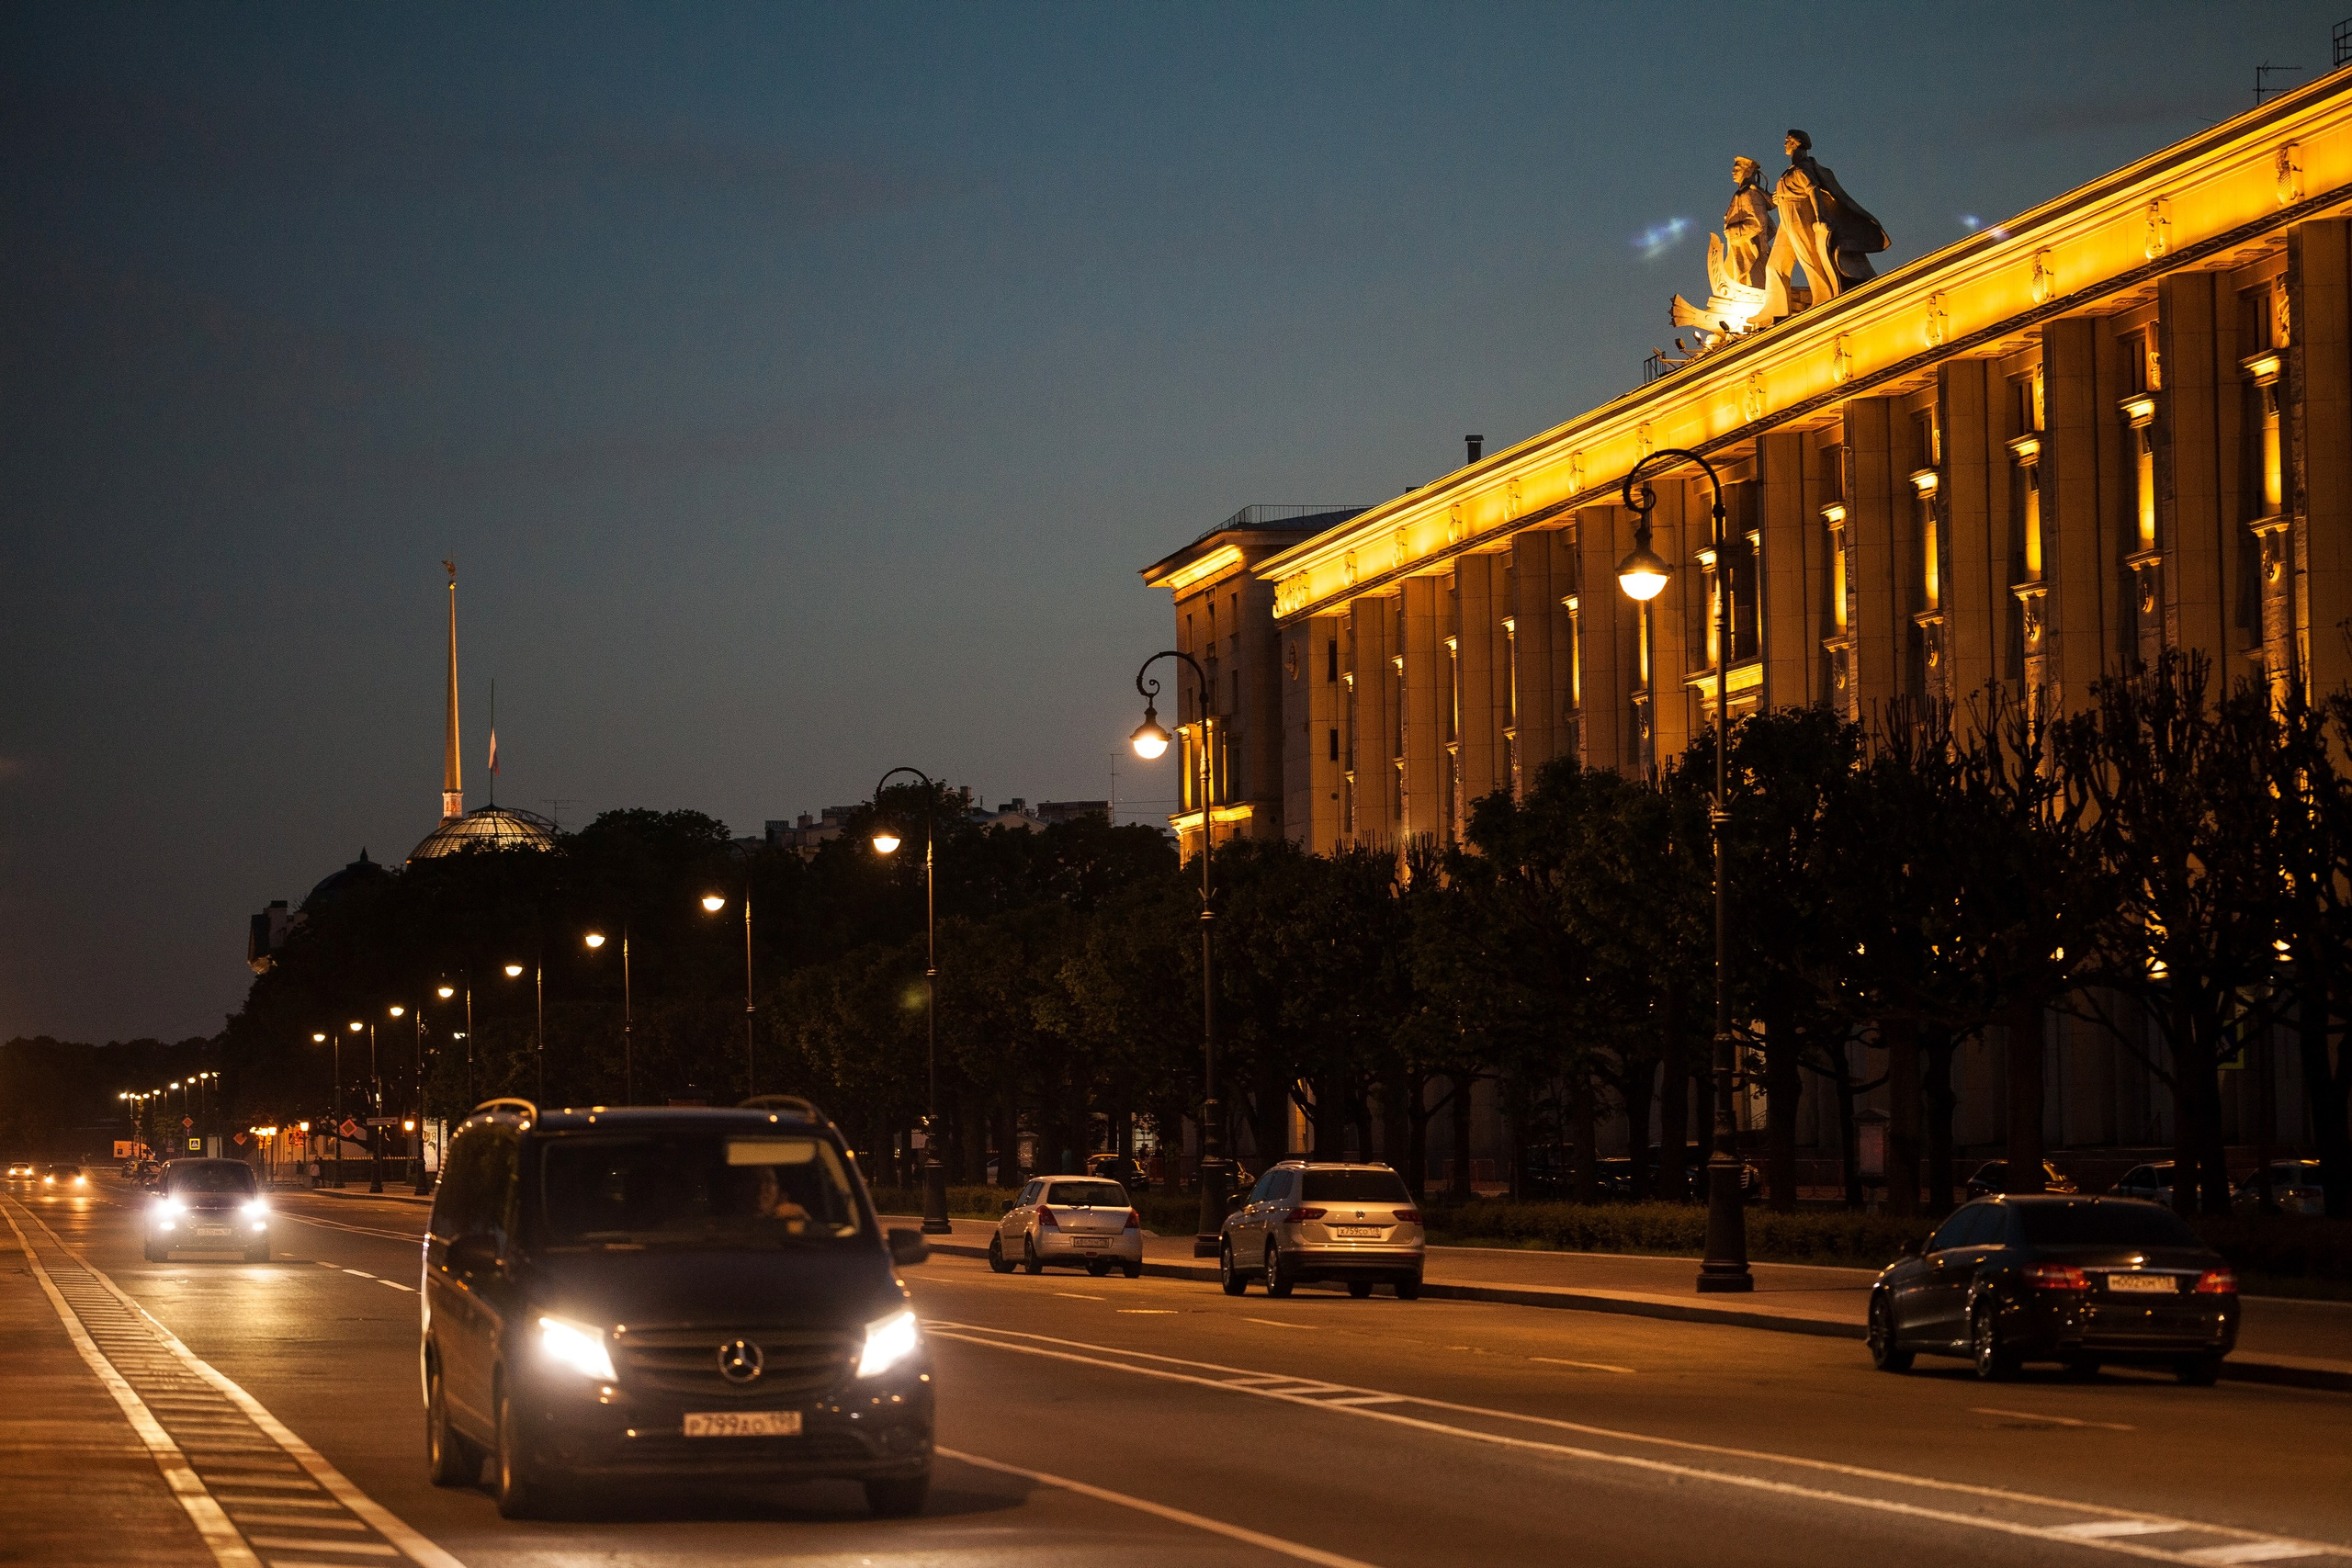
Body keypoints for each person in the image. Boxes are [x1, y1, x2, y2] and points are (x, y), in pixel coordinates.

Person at [1764, 130, 1888, 318]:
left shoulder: (1802, 169)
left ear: (1796, 144)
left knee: (1809, 256)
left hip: (1800, 215)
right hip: (1787, 216)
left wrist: (1819, 217)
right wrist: (1779, 196)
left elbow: (1812, 190)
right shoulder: (1791, 171)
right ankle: (1775, 308)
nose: (1785, 144)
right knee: (1774, 265)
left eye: (1787, 141)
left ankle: (1822, 297)